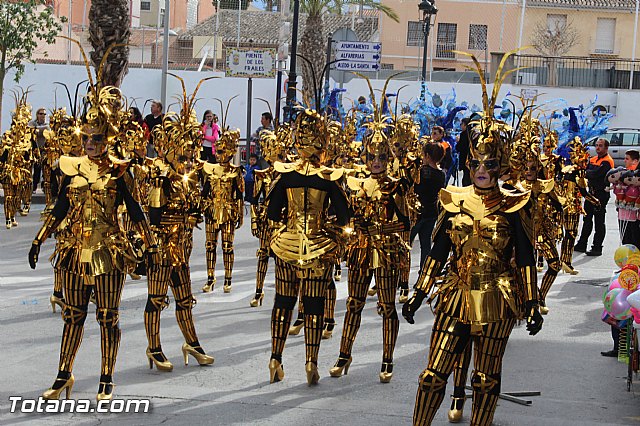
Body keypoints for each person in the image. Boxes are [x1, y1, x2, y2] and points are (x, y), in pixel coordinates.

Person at [402, 66, 543, 424]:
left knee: (484, 377)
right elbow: (438, 251)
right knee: (434, 373)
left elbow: (525, 256)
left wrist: (531, 303)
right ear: (468, 162)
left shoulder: (515, 202)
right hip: (456, 293)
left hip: (498, 296)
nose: (482, 168)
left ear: (501, 166)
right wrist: (419, 291)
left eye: (490, 163)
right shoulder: (453, 198)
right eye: (477, 162)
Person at [29, 77, 157, 401]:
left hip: (109, 252)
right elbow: (59, 207)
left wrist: (150, 244)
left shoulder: (119, 171)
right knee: (72, 315)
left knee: (107, 317)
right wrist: (38, 239)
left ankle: (106, 377)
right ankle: (63, 375)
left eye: (96, 138)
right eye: (87, 138)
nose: (89, 143)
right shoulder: (72, 168)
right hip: (75, 251)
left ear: (107, 139)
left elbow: (136, 210)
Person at [266, 108, 349, 386]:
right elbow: (345, 216)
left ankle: (275, 358)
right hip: (317, 245)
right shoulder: (329, 177)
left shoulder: (286, 174)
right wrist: (337, 237)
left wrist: (278, 231)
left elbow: (271, 211)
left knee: (283, 302)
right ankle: (311, 361)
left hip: (285, 245)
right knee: (313, 305)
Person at [329, 107, 409, 384]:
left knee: (387, 307)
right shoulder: (356, 183)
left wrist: (382, 228)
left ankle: (387, 359)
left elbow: (406, 223)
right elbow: (346, 216)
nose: (376, 161)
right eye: (372, 156)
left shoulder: (396, 186)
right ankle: (343, 354)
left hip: (386, 252)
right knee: (354, 304)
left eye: (382, 157)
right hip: (361, 251)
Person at [200, 123, 244, 294]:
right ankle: (210, 278)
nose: (218, 155)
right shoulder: (209, 169)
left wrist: (239, 213)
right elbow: (204, 192)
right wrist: (201, 209)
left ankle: (228, 278)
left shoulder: (235, 171)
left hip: (228, 212)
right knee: (210, 245)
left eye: (221, 151)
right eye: (217, 151)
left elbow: (239, 194)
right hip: (211, 212)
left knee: (227, 246)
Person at [574, 138, 614, 256]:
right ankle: (582, 243)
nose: (597, 148)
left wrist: (587, 173)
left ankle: (597, 247)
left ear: (606, 148)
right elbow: (587, 172)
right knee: (587, 219)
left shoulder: (607, 161)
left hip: (601, 194)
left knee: (599, 221)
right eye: (596, 145)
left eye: (600, 146)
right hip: (590, 193)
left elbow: (596, 175)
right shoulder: (593, 159)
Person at [411, 142, 445, 267]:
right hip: (431, 212)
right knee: (426, 245)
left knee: (407, 243)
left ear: (427, 156)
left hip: (417, 213)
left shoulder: (422, 172)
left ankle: (401, 277)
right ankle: (423, 274)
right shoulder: (441, 174)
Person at [29, 107, 49, 192]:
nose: (42, 116)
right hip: (34, 149)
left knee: (45, 169)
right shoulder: (32, 123)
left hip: (44, 149)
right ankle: (33, 187)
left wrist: (38, 130)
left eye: (44, 114)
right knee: (36, 169)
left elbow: (46, 130)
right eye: (41, 114)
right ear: (37, 115)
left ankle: (45, 187)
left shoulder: (47, 125)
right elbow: (31, 130)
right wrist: (40, 130)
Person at [455, 118, 471, 186]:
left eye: (461, 124)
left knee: (466, 178)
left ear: (465, 124)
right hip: (472, 160)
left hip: (465, 159)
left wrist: (458, 142)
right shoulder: (473, 133)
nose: (461, 126)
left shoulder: (464, 134)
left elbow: (459, 148)